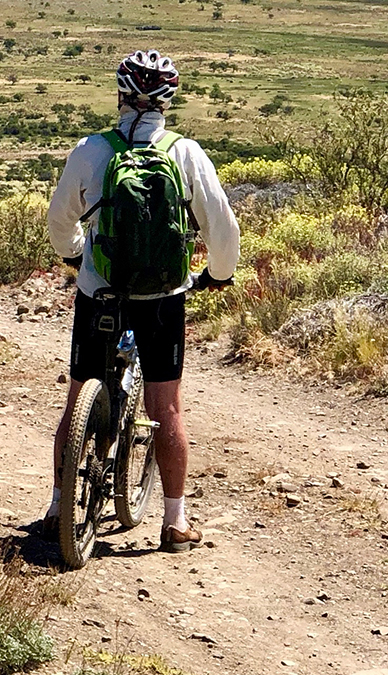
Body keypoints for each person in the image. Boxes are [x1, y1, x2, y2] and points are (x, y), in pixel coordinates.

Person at [43, 49, 240, 553]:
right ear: (167, 102)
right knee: (166, 407)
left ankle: (59, 508)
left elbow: (59, 222)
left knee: (78, 396)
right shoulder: (186, 154)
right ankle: (175, 522)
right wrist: (217, 276)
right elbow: (222, 227)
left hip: (100, 292)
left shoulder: (91, 151)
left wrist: (76, 255)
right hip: (162, 299)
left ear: (120, 96)